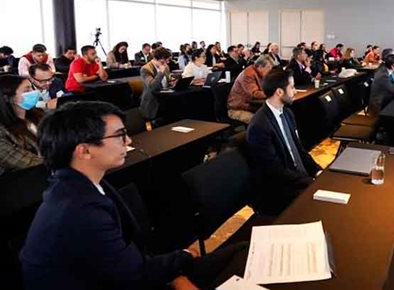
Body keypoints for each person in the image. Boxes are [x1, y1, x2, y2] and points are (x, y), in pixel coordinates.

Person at [20, 101, 248, 290]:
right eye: (119, 135)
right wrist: (183, 261)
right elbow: (133, 274)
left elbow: (133, 253)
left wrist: (178, 264)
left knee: (242, 250)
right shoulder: (79, 211)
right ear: (85, 150)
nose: (128, 141)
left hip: (133, 271)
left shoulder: (81, 183)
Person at [244, 68, 322, 216]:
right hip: (280, 189)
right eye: (292, 87)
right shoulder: (259, 126)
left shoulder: (287, 113)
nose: (295, 91)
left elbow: (299, 150)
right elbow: (274, 171)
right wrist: (309, 182)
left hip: (296, 177)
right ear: (279, 92)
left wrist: (317, 171)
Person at [0, 75, 44, 177]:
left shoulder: (40, 115)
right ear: (9, 98)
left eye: (32, 88)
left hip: (51, 171)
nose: (33, 93)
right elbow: (22, 161)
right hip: (20, 179)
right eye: (27, 91)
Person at [227, 56, 274, 124]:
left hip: (251, 106)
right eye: (268, 69)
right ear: (260, 67)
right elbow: (254, 93)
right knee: (261, 122)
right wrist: (272, 93)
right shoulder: (248, 75)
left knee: (273, 116)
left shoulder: (260, 74)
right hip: (238, 109)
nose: (270, 71)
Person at [139, 47, 175, 121]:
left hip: (165, 99)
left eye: (167, 60)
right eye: (163, 61)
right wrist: (161, 73)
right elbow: (152, 86)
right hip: (153, 102)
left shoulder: (166, 66)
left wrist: (172, 82)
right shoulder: (145, 69)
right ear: (155, 59)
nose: (166, 63)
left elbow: (167, 81)